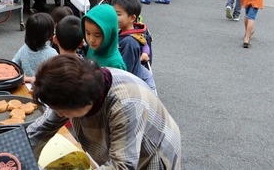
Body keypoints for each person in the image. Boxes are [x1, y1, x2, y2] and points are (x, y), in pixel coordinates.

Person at [26, 55, 181, 170]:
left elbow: (122, 166)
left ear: (85, 102)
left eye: (62, 111)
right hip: (122, 149)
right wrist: (16, 154)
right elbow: (42, 129)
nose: (58, 114)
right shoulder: (75, 86)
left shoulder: (125, 104)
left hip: (152, 151)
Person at [112, 0, 156, 92]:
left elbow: (125, 72)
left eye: (118, 14)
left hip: (131, 86)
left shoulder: (129, 42)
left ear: (132, 18)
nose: (113, 17)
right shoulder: (120, 32)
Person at [11, 12, 58, 82]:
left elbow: (12, 68)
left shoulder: (23, 49)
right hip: (45, 90)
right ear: (49, 36)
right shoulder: (53, 54)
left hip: (25, 88)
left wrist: (29, 79)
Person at [81, 4, 126, 70]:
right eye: (88, 33)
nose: (91, 40)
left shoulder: (116, 64)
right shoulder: (93, 48)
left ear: (110, 34)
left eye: (97, 36)